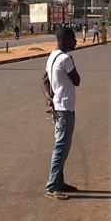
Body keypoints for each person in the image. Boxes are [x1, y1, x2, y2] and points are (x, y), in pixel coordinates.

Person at [41, 26, 82, 200]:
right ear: (64, 40)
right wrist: (71, 60)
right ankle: (52, 186)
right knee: (60, 148)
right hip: (64, 110)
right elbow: (77, 80)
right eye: (73, 38)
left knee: (63, 148)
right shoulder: (65, 59)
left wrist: (49, 99)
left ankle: (59, 181)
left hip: (59, 107)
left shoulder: (52, 56)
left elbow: (44, 81)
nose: (76, 41)